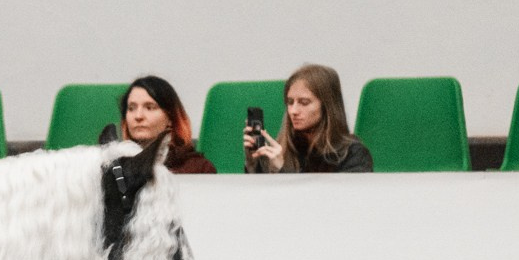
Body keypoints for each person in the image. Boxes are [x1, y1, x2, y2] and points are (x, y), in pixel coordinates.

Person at [245, 63, 373, 173]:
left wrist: (283, 171)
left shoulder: (354, 155)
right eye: (290, 102)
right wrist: (254, 164)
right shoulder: (284, 151)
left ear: (327, 106)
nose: (293, 111)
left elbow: (333, 195)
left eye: (304, 102)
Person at [98, 75, 216, 173]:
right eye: (131, 108)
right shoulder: (113, 167)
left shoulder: (198, 168)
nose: (138, 116)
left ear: (170, 118)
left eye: (149, 107)